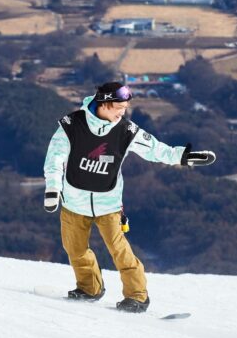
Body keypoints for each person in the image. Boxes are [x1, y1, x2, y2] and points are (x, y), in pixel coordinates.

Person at [43, 81, 216, 312]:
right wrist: (53, 189)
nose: (123, 113)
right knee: (75, 249)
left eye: (125, 108)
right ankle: (89, 288)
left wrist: (182, 157)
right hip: (74, 201)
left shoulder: (126, 130)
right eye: (119, 108)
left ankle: (137, 296)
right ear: (104, 104)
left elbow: (155, 149)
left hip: (108, 203)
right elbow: (54, 158)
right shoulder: (71, 125)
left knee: (119, 250)